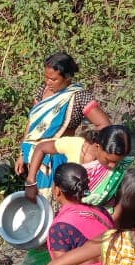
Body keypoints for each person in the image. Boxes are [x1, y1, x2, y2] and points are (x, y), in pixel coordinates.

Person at [14, 52, 111, 191]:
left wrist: (86, 146)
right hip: (34, 156)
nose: (48, 82)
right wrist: (22, 154)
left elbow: (104, 125)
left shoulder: (79, 97)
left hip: (57, 158)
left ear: (67, 77)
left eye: (53, 79)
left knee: (54, 198)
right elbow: (32, 124)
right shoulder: (43, 90)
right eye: (46, 77)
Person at [25, 124, 133, 209]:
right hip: (67, 204)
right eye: (108, 160)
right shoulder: (75, 145)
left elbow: (114, 193)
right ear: (97, 146)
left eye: (118, 162)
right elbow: (41, 148)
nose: (113, 166)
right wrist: (30, 181)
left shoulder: (120, 167)